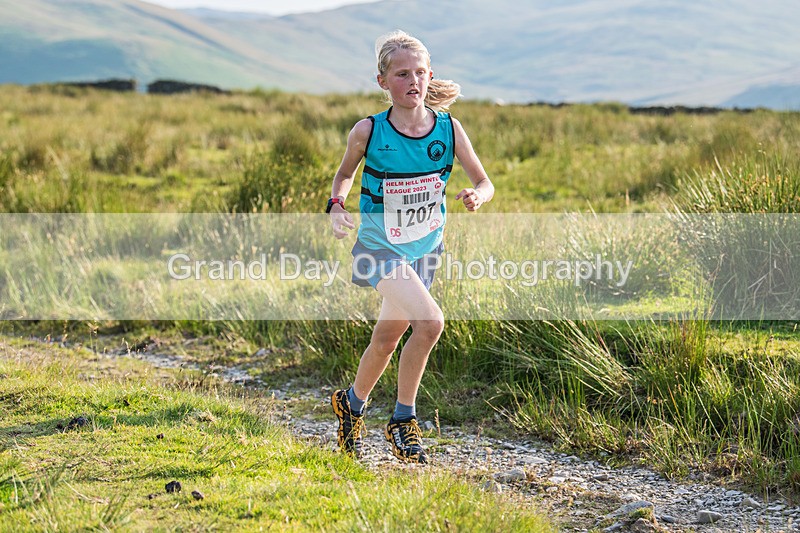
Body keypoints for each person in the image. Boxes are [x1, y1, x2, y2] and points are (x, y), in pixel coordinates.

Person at [327, 30, 494, 464]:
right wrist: (336, 204)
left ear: (430, 75)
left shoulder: (449, 129)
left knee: (387, 338)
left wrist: (479, 195)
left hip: (424, 249)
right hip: (380, 248)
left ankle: (351, 404)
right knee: (431, 322)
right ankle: (403, 420)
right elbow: (344, 174)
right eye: (402, 74)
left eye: (420, 72)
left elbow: (483, 179)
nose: (412, 81)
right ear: (383, 81)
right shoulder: (368, 131)